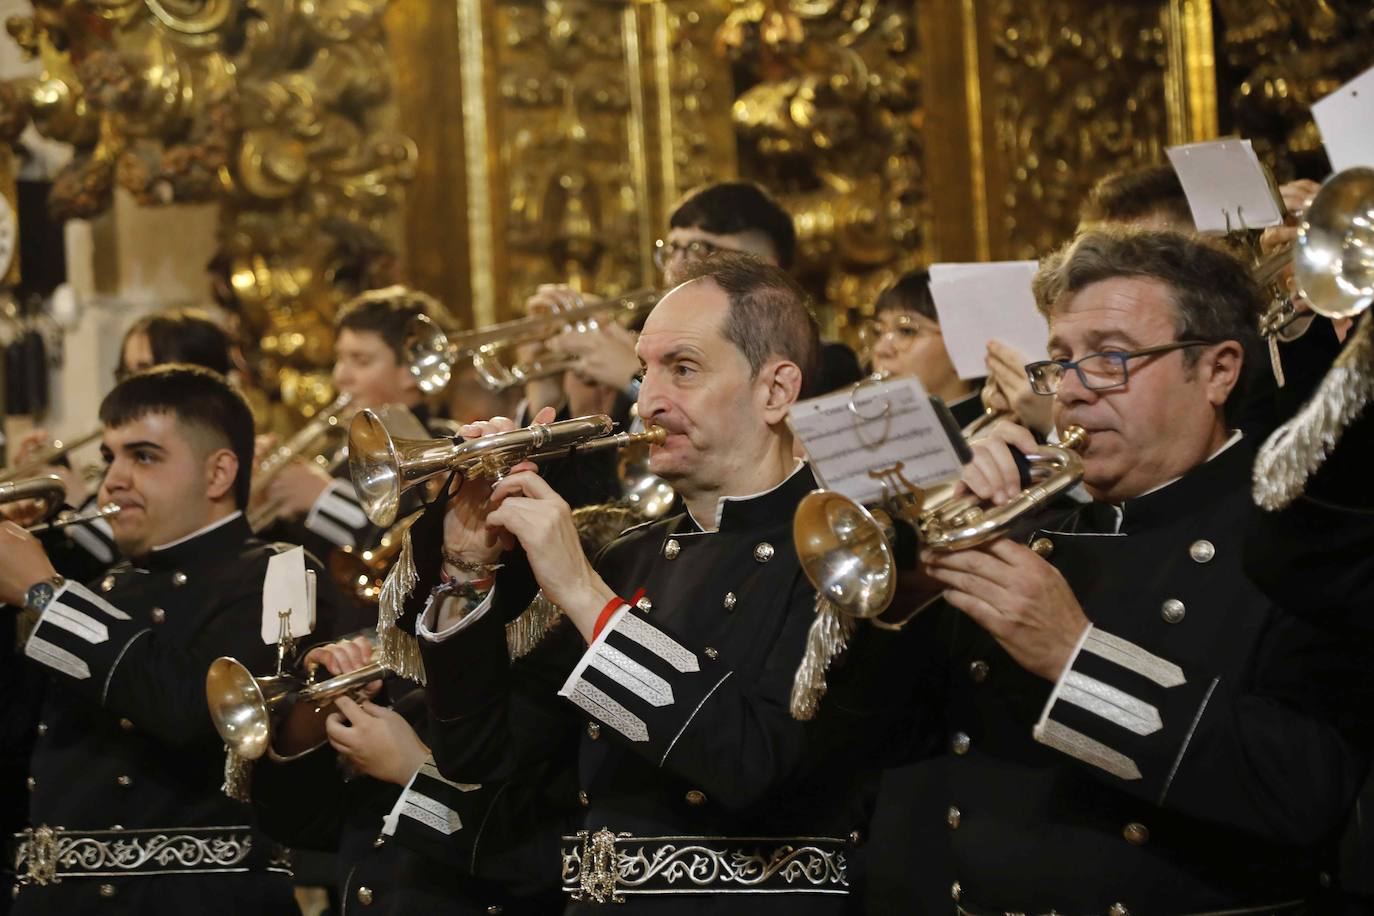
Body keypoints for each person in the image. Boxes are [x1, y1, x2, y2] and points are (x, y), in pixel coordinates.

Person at [853, 228, 1374, 912]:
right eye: (1060, 361)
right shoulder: (1029, 527)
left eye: (1111, 359)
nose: (1070, 392)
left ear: (1217, 370)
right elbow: (865, 749)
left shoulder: (1298, 536)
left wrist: (1075, 657)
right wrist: (915, 580)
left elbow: (1306, 792)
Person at [381, 254, 874, 912]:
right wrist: (469, 570)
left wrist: (585, 594)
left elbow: (748, 763)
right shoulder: (631, 555)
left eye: (684, 369)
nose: (647, 400)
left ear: (776, 391)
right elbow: (478, 755)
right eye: (645, 371)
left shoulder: (840, 548)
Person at [0, 365, 343, 913]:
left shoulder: (279, 574)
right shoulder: (100, 589)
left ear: (218, 474)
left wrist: (44, 594)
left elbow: (194, 710)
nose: (112, 479)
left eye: (143, 456)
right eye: (109, 456)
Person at [865, 269, 988, 427]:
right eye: (878, 332)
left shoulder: (1002, 439)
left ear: (964, 347)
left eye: (906, 330)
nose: (881, 349)